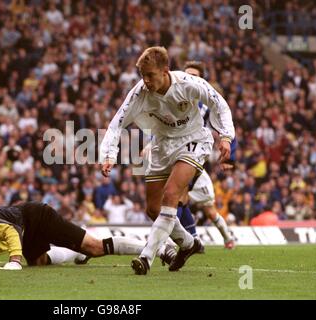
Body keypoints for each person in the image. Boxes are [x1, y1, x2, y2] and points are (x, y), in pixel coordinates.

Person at [100, 47, 235, 275]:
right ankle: (189, 244)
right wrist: (109, 155)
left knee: (171, 195)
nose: (146, 81)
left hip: (192, 140)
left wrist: (226, 136)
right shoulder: (139, 92)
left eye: (150, 75)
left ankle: (146, 257)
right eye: (142, 76)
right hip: (162, 145)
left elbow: (218, 103)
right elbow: (117, 123)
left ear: (165, 71)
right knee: (153, 209)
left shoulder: (188, 83)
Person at [0, 201, 175, 270]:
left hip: (35, 217)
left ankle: (157, 248)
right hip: (24, 226)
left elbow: (11, 230)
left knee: (95, 248)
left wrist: (13, 260)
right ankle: (77, 255)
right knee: (40, 262)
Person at [181, 61, 235, 248]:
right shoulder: (175, 97)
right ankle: (192, 240)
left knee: (209, 211)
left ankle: (227, 238)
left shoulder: (205, 107)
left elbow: (224, 126)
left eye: (195, 76)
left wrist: (230, 158)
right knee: (177, 199)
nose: (190, 79)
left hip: (195, 162)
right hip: (178, 156)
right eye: (187, 75)